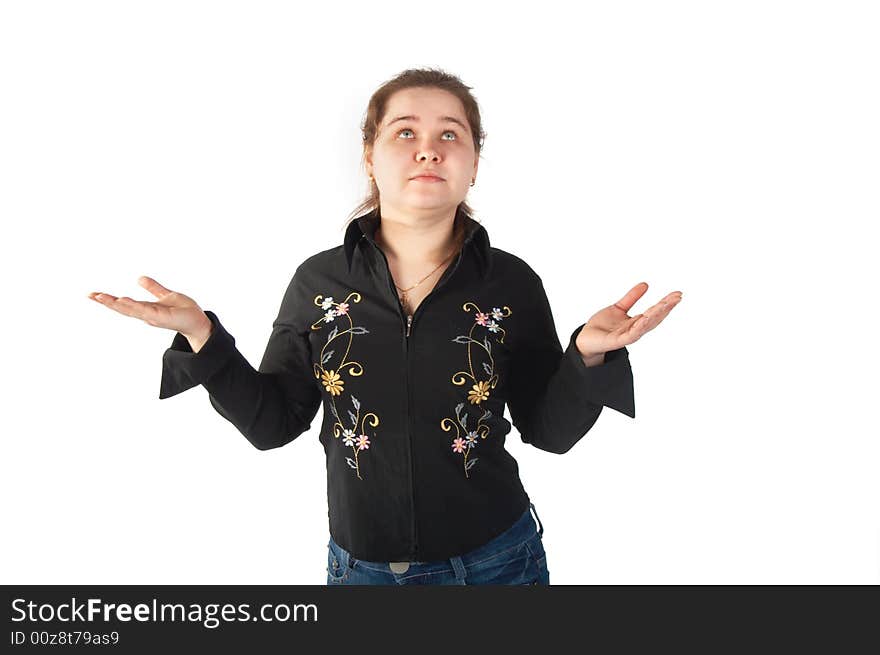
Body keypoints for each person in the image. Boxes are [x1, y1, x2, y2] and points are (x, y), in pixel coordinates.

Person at [88, 67, 682, 585]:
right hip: (363, 574)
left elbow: (549, 431)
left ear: (474, 162)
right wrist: (203, 338)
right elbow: (273, 423)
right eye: (406, 133)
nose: (429, 150)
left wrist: (588, 355)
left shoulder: (509, 283)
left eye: (450, 134)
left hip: (501, 564)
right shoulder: (319, 283)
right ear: (369, 156)